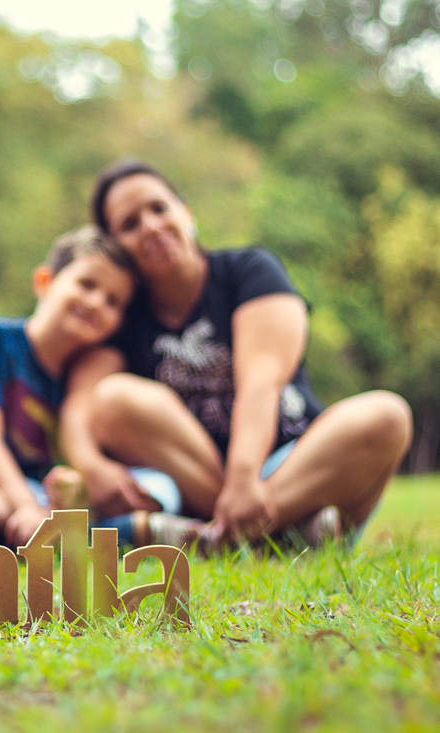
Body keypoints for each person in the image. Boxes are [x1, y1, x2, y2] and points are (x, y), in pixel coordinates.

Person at [63, 159, 412, 549]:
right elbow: (83, 404)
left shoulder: (249, 270)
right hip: (204, 484)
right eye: (129, 224)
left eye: (159, 208)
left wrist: (245, 478)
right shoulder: (123, 314)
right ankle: (287, 535)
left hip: (292, 465)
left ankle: (229, 535)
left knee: (388, 416)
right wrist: (91, 466)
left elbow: (262, 379)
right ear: (117, 248)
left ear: (186, 213)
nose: (150, 226)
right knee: (113, 398)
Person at [0, 227, 182, 549]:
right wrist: (26, 506)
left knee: (164, 487)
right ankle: (95, 534)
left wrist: (75, 490)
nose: (96, 303)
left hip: (54, 501)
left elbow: (80, 465)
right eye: (86, 285)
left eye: (113, 302)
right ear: (45, 282)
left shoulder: (90, 370)